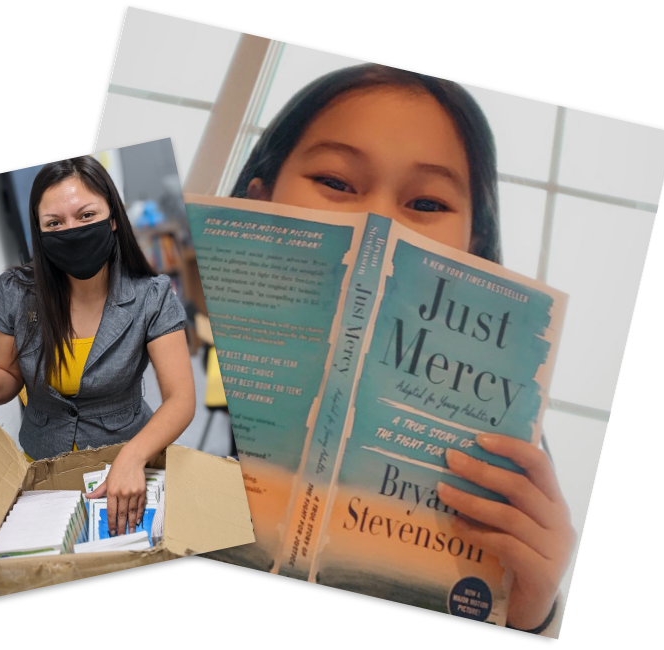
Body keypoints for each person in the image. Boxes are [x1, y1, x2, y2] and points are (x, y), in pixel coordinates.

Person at [231, 63, 575, 634]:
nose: (378, 221)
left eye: (428, 204)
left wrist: (532, 612)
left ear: (474, 243)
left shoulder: (504, 461)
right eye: (337, 183)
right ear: (260, 199)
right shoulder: (160, 337)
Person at [0, 156, 195, 539]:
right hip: (42, 463)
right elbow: (7, 373)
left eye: (85, 215)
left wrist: (133, 456)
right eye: (54, 223)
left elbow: (180, 398)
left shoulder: (153, 296)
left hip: (127, 460)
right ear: (40, 233)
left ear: (112, 217)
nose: (72, 230)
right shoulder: (16, 291)